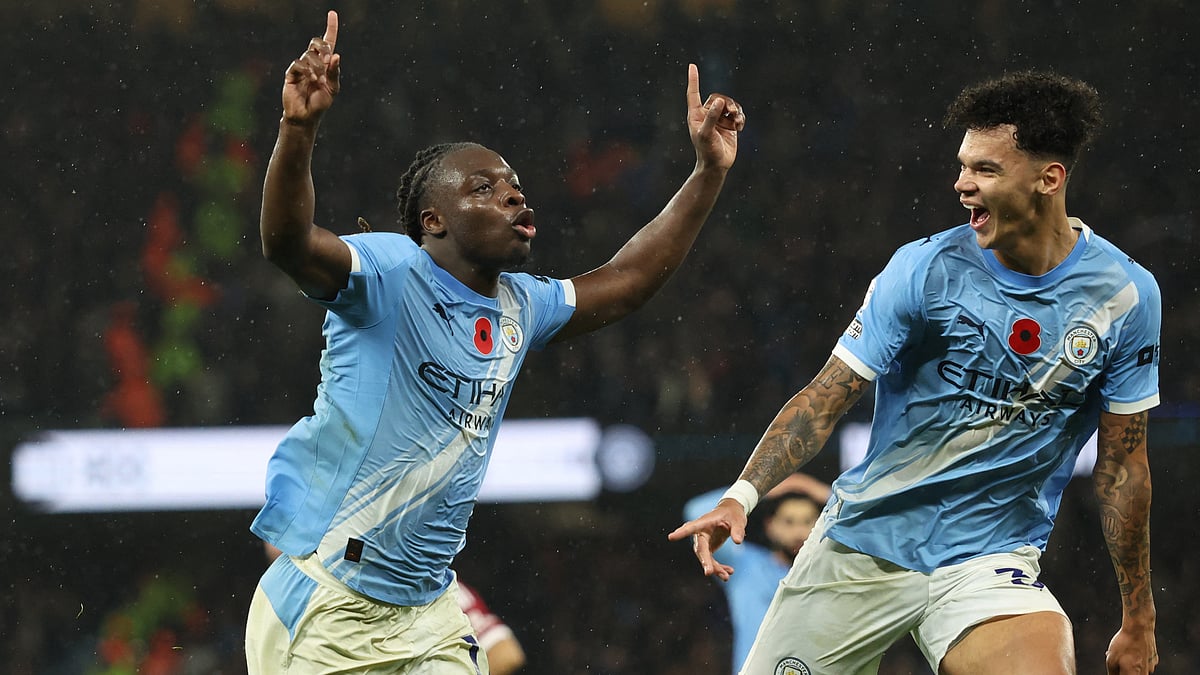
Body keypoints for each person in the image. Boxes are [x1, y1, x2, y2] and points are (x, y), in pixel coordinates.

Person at [244, 9, 744, 675]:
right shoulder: (393, 271)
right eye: (484, 188)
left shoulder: (520, 302)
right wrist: (298, 129)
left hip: (429, 610)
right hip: (327, 603)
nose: (511, 195)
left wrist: (708, 171)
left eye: (514, 186)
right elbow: (287, 243)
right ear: (434, 220)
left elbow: (625, 280)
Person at [670, 69, 1160, 675]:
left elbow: (1121, 468)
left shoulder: (1125, 296)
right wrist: (742, 495)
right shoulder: (925, 270)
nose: (961, 184)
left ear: (1048, 179)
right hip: (862, 547)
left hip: (989, 562)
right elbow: (827, 395)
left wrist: (1138, 619)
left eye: (985, 169)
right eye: (962, 166)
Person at [683, 473, 830, 673]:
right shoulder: (746, 565)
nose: (798, 531)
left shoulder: (829, 571)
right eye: (788, 521)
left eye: (807, 521)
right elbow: (695, 513)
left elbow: (869, 524)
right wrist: (767, 490)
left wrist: (817, 490)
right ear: (770, 526)